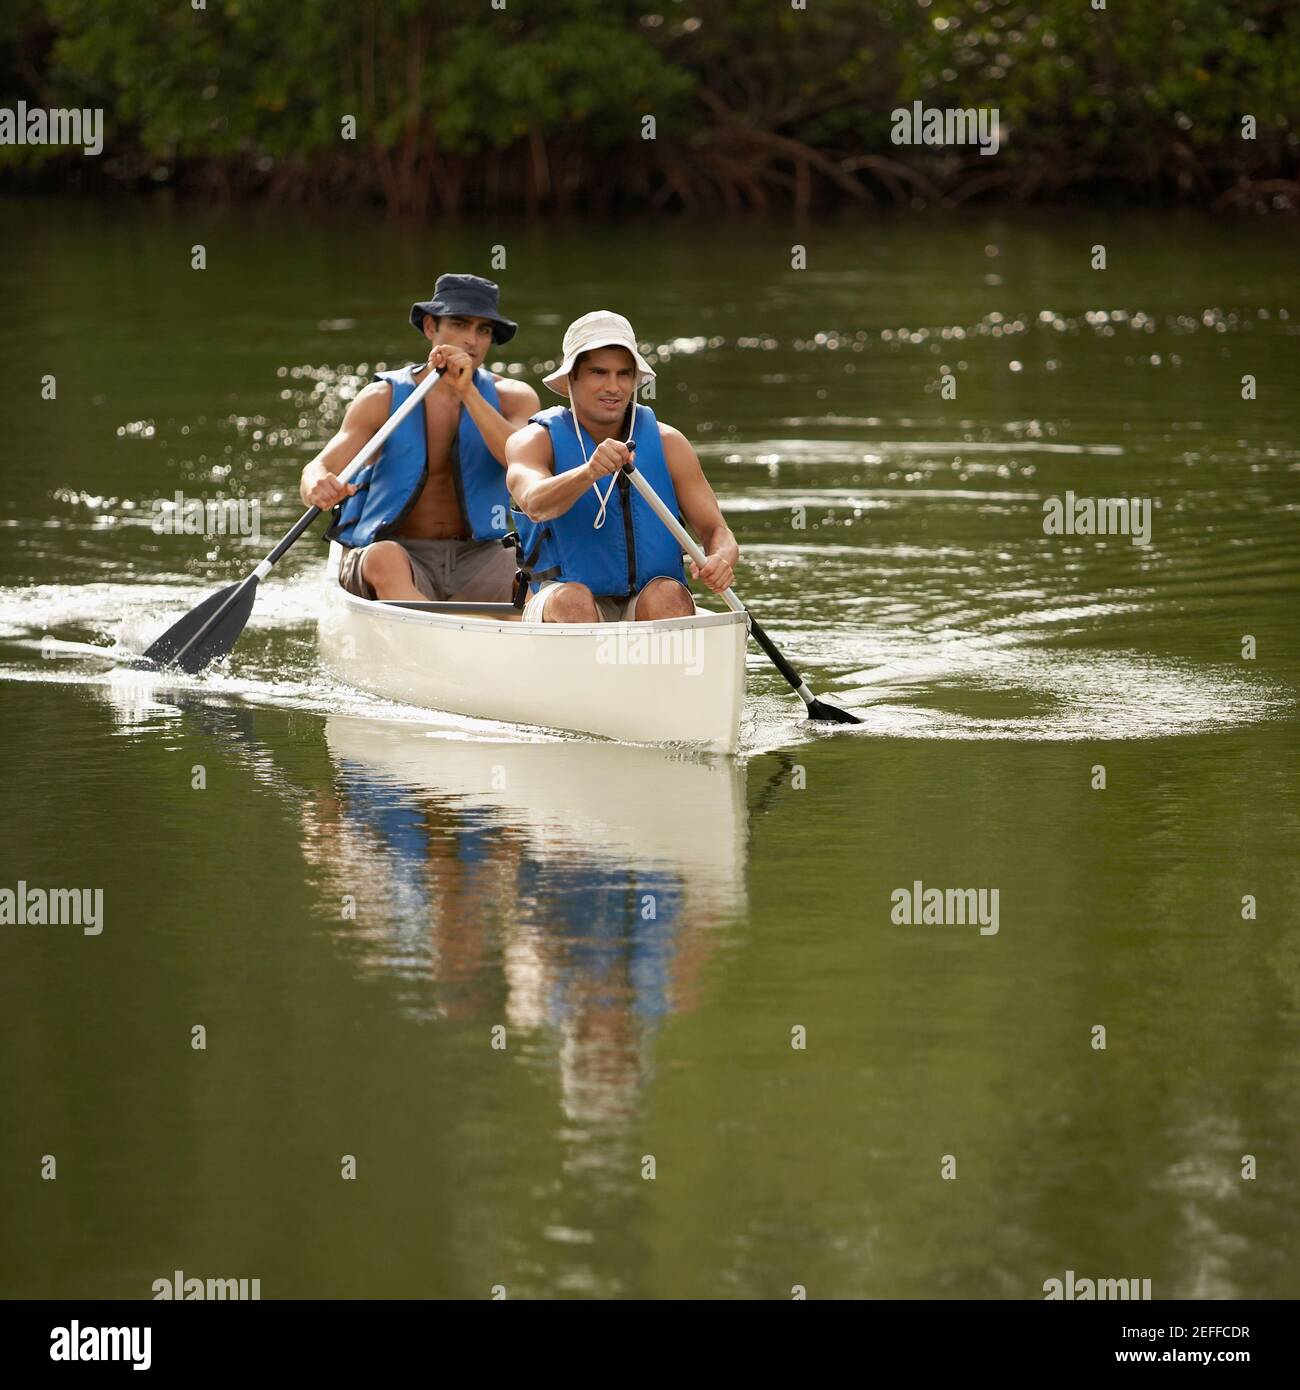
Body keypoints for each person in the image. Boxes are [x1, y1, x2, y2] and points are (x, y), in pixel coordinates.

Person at [299, 273, 539, 602]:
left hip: (478, 556)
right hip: (399, 554)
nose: (472, 340)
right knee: (384, 559)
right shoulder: (381, 397)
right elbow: (320, 466)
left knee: (533, 576)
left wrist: (467, 392)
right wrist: (317, 484)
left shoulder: (515, 398)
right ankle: (433, 636)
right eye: (460, 323)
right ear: (430, 328)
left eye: (483, 330)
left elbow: (519, 462)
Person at [505, 311, 738, 622]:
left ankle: (658, 665)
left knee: (668, 595)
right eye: (598, 372)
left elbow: (716, 530)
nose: (613, 387)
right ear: (572, 377)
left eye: (623, 374)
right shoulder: (533, 441)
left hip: (646, 601)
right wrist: (589, 472)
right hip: (559, 598)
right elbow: (534, 504)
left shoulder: (670, 443)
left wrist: (721, 558)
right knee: (575, 601)